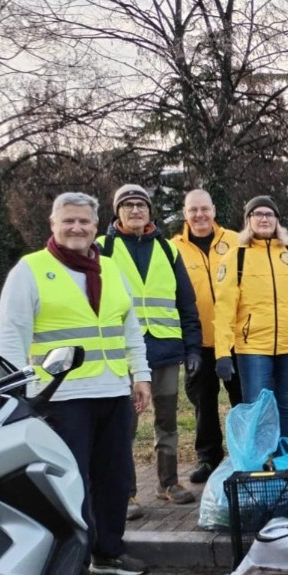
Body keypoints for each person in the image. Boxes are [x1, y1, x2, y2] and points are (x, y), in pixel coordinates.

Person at [0, 192, 151, 575]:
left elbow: (129, 327)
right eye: (69, 221)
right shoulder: (30, 270)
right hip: (60, 399)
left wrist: (141, 375)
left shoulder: (110, 268)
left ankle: (109, 551)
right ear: (53, 224)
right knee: (70, 484)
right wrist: (21, 393)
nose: (77, 227)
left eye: (84, 221)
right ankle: (73, 562)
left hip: (113, 391)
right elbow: (10, 336)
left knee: (114, 479)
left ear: (96, 227)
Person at [99, 184, 202, 516]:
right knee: (124, 425)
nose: (134, 210)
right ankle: (125, 492)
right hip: (122, 353)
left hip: (165, 349)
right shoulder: (102, 248)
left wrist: (193, 347)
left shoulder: (168, 249)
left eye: (140, 205)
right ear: (117, 212)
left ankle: (168, 483)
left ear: (150, 211)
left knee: (167, 422)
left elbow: (186, 301)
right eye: (127, 205)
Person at [213, 196, 288, 439]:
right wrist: (222, 353)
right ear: (248, 221)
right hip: (252, 347)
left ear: (277, 221)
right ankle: (258, 462)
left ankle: (281, 456)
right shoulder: (235, 258)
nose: (264, 218)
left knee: (283, 404)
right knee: (257, 407)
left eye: (269, 214)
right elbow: (224, 309)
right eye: (257, 214)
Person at [172, 189, 243, 484]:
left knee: (242, 401)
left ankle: (244, 455)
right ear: (185, 213)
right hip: (197, 342)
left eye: (204, 209)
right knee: (204, 402)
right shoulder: (172, 248)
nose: (199, 215)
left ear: (214, 210)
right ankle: (208, 457)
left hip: (236, 338)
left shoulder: (236, 241)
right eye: (193, 210)